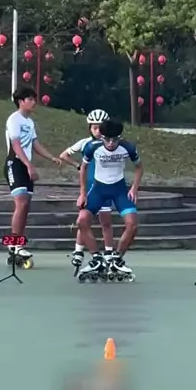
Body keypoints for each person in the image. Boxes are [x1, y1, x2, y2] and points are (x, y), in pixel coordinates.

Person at [76, 119, 143, 281]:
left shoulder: (128, 147)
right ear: (102, 137)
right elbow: (83, 168)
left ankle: (116, 259)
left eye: (115, 140)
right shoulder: (92, 147)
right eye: (107, 139)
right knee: (81, 221)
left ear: (120, 138)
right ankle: (96, 259)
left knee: (133, 224)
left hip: (119, 190)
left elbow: (139, 167)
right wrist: (83, 193)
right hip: (98, 189)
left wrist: (134, 188)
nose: (111, 143)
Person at [4, 86, 62, 265]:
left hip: (26, 165)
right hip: (15, 163)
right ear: (21, 101)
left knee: (26, 206)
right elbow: (16, 145)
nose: (34, 102)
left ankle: (18, 244)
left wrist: (51, 157)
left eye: (34, 99)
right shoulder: (14, 119)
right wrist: (29, 166)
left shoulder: (29, 122)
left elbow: (35, 144)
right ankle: (13, 243)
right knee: (21, 203)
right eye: (30, 99)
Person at [59, 109, 115, 268]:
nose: (98, 131)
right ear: (89, 128)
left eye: (101, 128)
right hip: (90, 188)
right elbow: (64, 155)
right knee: (83, 221)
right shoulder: (85, 143)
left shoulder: (111, 144)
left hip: (106, 187)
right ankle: (78, 251)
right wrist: (77, 166)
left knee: (106, 222)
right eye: (94, 128)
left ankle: (109, 253)